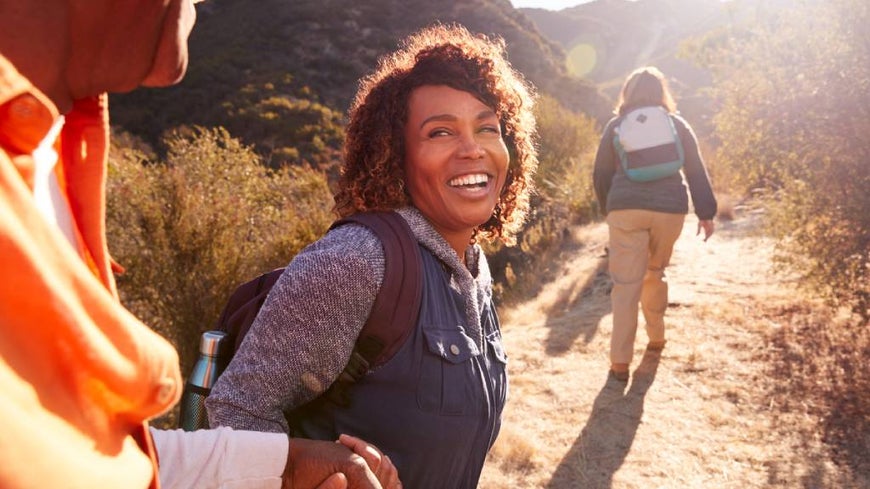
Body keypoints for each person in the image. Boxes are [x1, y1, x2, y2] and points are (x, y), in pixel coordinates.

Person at [0, 1, 398, 488]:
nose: (198, 9)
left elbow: (88, 457)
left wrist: (282, 465)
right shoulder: (352, 258)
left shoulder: (57, 145)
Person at [206, 23, 539, 489]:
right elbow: (236, 411)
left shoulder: (473, 270)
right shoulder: (358, 261)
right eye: (440, 132)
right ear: (394, 155)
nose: (472, 149)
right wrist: (309, 471)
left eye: (487, 127)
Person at [592, 66, 717, 382]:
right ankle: (656, 337)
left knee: (625, 286)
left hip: (625, 210)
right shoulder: (675, 124)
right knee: (654, 273)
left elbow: (601, 173)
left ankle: (620, 362)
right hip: (669, 208)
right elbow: (696, 169)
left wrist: (609, 208)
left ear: (627, 93)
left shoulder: (617, 126)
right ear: (662, 92)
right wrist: (706, 211)